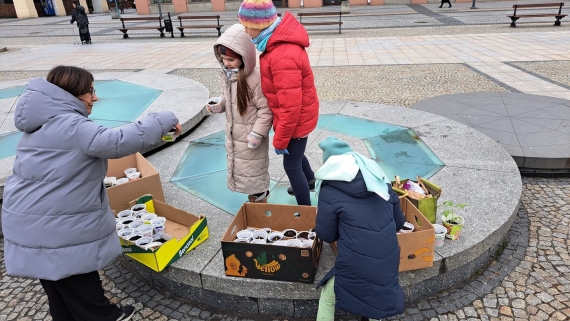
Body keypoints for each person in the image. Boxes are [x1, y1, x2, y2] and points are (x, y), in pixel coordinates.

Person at [1, 65, 181, 321]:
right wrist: (164, 119)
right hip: (54, 226)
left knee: (57, 288)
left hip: (29, 219)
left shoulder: (41, 123)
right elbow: (117, 141)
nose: (94, 98)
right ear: (72, 94)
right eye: (89, 92)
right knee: (80, 282)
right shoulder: (71, 124)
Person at [314, 137, 406, 321]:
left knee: (328, 295)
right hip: (388, 260)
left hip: (355, 262)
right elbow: (399, 222)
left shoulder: (329, 190)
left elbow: (326, 234)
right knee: (375, 302)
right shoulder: (380, 180)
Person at [238, 0, 319, 206]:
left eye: (247, 27)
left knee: (291, 165)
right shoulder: (276, 44)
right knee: (296, 154)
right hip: (299, 116)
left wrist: (281, 139)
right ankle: (309, 180)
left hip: (296, 120)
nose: (246, 32)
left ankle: (305, 211)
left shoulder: (282, 55)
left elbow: (291, 106)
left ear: (260, 26)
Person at [208, 23, 273, 203]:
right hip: (235, 135)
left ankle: (260, 204)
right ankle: (254, 205)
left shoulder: (254, 80)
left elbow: (266, 110)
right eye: (223, 59)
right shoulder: (228, 75)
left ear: (244, 57)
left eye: (230, 60)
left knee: (254, 175)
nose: (225, 63)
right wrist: (219, 105)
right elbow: (227, 98)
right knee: (242, 172)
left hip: (251, 138)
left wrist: (258, 133)